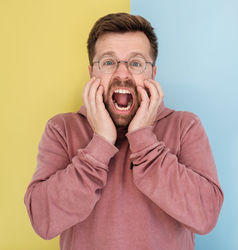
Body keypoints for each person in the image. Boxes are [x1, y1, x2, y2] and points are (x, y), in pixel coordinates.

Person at [24, 12, 224, 250]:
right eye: (108, 62)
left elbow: (206, 216)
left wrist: (144, 141)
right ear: (92, 73)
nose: (122, 74)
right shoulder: (62, 129)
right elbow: (43, 221)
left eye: (136, 63)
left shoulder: (185, 126)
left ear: (153, 74)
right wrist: (100, 143)